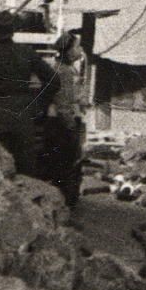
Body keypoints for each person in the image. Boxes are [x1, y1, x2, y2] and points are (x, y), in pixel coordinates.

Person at [0, 10, 57, 179]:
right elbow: (53, 80)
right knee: (25, 171)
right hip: (22, 116)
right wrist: (38, 105)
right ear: (13, 30)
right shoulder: (26, 53)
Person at [42, 28, 89, 208]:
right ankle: (64, 203)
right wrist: (71, 127)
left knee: (63, 166)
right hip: (61, 125)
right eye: (77, 46)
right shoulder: (64, 71)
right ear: (68, 50)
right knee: (66, 166)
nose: (80, 50)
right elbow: (64, 104)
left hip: (58, 122)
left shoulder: (64, 68)